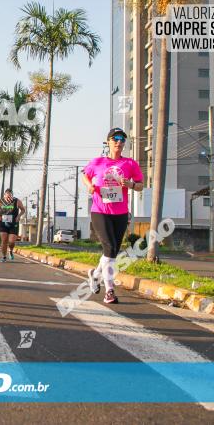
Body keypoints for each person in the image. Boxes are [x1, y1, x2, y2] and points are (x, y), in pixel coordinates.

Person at [82, 127, 144, 304]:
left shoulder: (130, 164)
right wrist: (89, 186)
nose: (119, 142)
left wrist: (130, 184)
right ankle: (109, 290)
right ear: (108, 141)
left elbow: (141, 185)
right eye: (115, 138)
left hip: (121, 212)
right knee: (109, 247)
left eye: (122, 139)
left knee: (113, 252)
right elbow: (85, 175)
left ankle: (94, 274)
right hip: (100, 211)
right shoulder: (97, 162)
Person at [0, 188, 25, 261]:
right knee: (4, 240)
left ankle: (11, 251)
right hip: (3, 223)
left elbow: (23, 209)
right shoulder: (0, 201)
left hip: (13, 223)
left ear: (12, 195)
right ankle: (4, 256)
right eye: (7, 196)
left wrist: (18, 216)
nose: (8, 197)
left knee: (11, 241)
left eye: (10, 196)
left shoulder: (17, 201)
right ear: (4, 195)